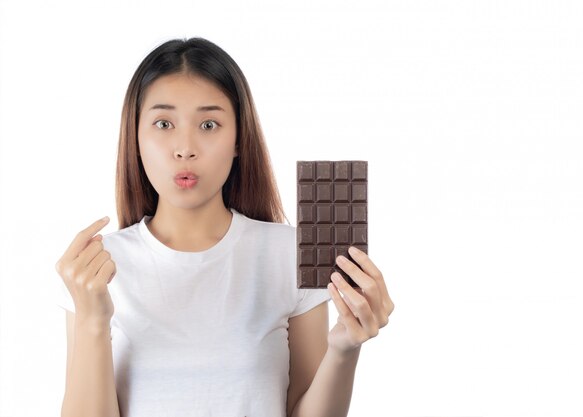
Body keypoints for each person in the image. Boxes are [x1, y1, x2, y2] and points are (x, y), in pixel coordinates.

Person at [55, 37, 395, 417]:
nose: (185, 147)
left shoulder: (287, 253)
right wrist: (91, 319)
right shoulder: (97, 269)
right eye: (163, 123)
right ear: (135, 138)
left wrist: (344, 347)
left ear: (238, 139)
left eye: (209, 124)